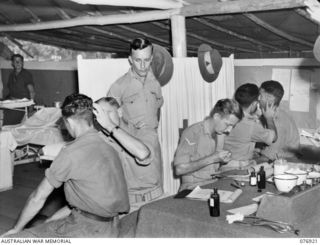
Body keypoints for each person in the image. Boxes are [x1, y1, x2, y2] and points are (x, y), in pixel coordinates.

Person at [1, 94, 129, 238]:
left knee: (15, 239)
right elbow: (87, 200)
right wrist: (50, 221)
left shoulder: (70, 153)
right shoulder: (108, 147)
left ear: (69, 122)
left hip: (88, 230)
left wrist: (16, 229)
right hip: (113, 226)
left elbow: (38, 197)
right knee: (47, 225)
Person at [94, 97, 163, 212]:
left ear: (120, 112)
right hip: (126, 204)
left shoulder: (143, 131)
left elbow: (142, 154)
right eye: (100, 115)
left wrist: (110, 126)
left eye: (108, 113)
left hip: (155, 201)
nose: (103, 119)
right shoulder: (100, 139)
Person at [173, 99, 243, 191]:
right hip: (191, 188)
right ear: (217, 116)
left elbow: (213, 165)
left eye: (232, 126)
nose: (229, 130)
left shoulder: (220, 134)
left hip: (213, 185)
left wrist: (223, 160)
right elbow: (179, 169)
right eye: (228, 124)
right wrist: (212, 158)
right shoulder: (192, 133)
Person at [107, 37, 163, 130]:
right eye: (138, 60)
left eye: (146, 60)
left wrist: (155, 125)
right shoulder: (118, 86)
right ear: (130, 60)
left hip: (153, 138)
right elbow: (110, 117)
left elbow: (158, 106)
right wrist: (131, 129)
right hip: (131, 139)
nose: (142, 65)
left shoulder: (155, 83)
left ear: (152, 58)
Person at [222, 83, 278, 169]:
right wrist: (269, 118)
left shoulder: (226, 115)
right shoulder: (251, 125)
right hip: (238, 168)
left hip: (224, 164)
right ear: (254, 103)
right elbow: (274, 138)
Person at [257, 80, 300, 162]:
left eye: (260, 96)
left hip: (283, 165)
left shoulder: (277, 121)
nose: (258, 99)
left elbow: (268, 157)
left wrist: (245, 165)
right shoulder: (269, 116)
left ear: (270, 99)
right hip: (275, 161)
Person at [3, 54, 36, 125]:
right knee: (5, 122)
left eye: (20, 61)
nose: (17, 63)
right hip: (11, 103)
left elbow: (32, 92)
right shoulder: (11, 75)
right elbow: (11, 90)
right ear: (12, 63)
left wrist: (31, 107)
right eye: (15, 61)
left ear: (23, 63)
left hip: (21, 104)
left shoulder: (26, 74)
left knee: (9, 124)